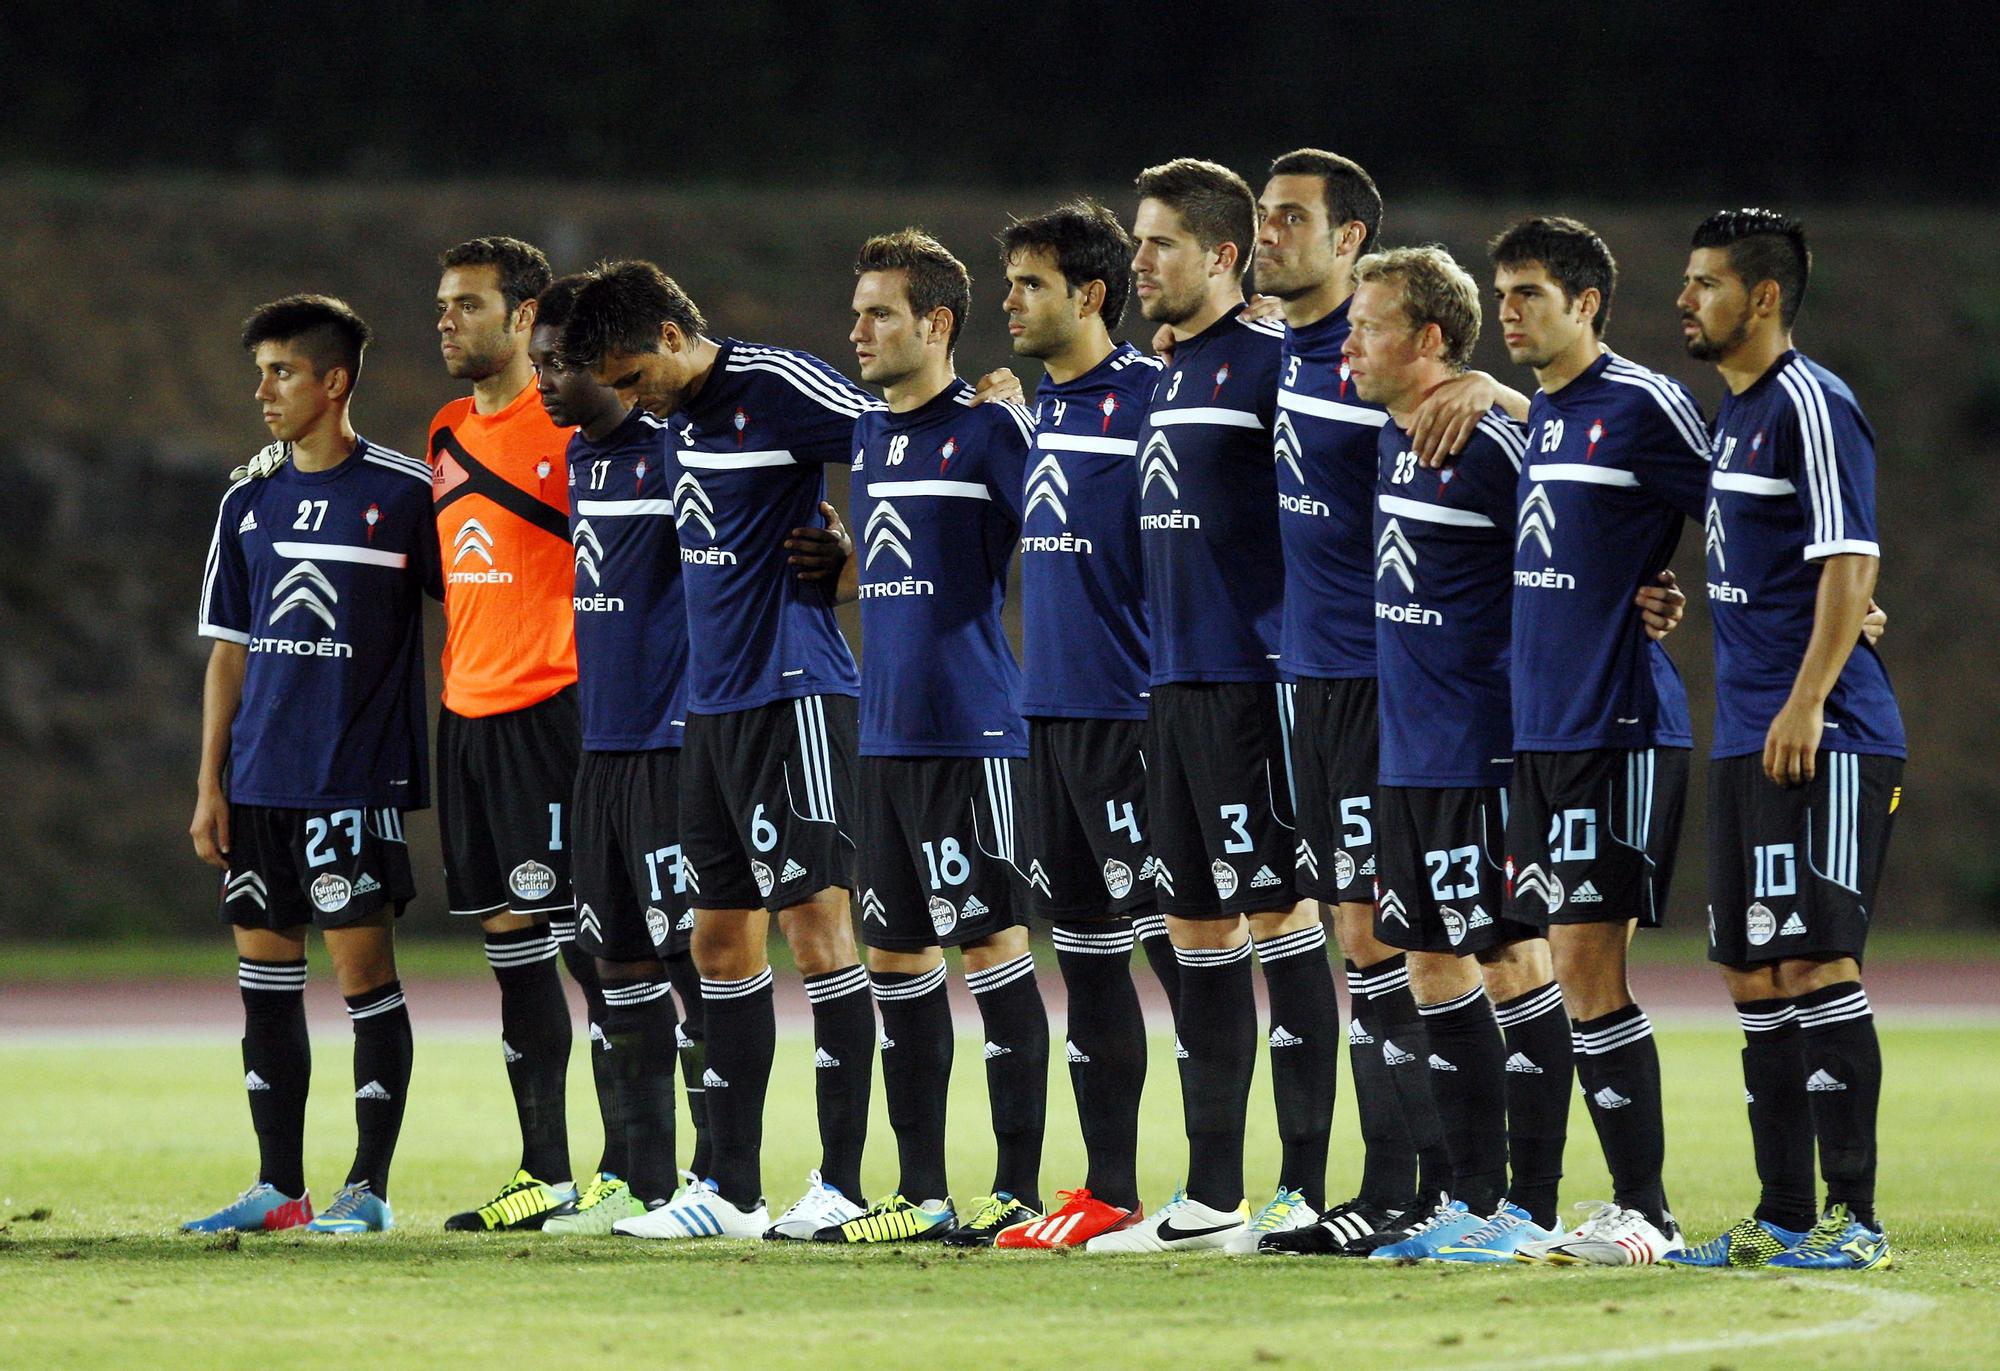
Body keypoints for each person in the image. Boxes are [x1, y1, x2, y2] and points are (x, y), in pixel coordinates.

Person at [1243, 149, 1535, 1255]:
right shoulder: (1269, 351)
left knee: (1419, 940)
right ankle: (1408, 1191)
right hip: (1305, 684)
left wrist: (1497, 387)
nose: (1266, 233)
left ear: (1349, 238)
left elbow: (1545, 450)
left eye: (1288, 217)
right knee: (1355, 940)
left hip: (1392, 687)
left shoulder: (1401, 377)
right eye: (1259, 218)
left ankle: (1439, 1190)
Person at [559, 260, 879, 1241]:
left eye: (625, 376)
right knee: (717, 939)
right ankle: (730, 1190)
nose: (624, 400)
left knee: (817, 931)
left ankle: (840, 1182)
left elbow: (906, 444)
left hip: (794, 696)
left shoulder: (778, 387)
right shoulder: (677, 426)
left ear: (665, 335)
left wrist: (859, 559)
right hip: (710, 712)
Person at [797, 229, 1049, 1245]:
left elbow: (1064, 535)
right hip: (884, 734)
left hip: (972, 731)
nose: (856, 330)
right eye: (856, 311)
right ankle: (920, 1190)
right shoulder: (867, 435)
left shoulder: (990, 431)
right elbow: (901, 570)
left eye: (879, 314)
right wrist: (850, 561)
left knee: (990, 944)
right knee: (895, 959)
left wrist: (1028, 421)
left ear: (935, 324)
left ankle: (1016, 1190)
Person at [1668, 209, 1904, 1271]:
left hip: (1824, 730)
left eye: (1705, 282)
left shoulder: (1810, 402)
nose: (1685, 300)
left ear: (1761, 298)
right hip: (1750, 731)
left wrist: (1808, 699)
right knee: (1752, 970)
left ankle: (1854, 1221)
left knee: (1812, 956)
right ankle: (1781, 1215)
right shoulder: (1733, 419)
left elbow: (1848, 558)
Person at [185, 295, 437, 1235]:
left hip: (352, 784)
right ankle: (279, 1188)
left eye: (282, 371)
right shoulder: (247, 501)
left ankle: (366, 1188)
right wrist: (212, 783)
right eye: (260, 371)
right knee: (265, 987)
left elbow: (482, 600)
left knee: (365, 978)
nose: (263, 391)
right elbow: (230, 651)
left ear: (335, 383)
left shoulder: (409, 496)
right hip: (258, 785)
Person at [1487, 216, 1710, 1265]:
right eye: (1500, 295)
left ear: (1584, 302)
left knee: (1584, 963)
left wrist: (1826, 602)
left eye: (1527, 293)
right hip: (1539, 735)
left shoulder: (1642, 403)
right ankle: (1554, 1201)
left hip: (1617, 726)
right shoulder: (1542, 418)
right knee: (1543, 960)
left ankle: (1645, 1210)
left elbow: (1744, 510)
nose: (1507, 312)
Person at [984, 199, 1179, 1249]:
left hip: (1135, 716)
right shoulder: (1031, 416)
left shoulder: (1155, 397)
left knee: (1180, 956)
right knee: (1089, 961)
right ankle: (1109, 1191)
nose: (1007, 302)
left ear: (1089, 295)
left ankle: (1217, 1193)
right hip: (1045, 722)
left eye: (1028, 284)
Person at [429, 237, 611, 1231]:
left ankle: (646, 1169)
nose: (446, 321)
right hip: (465, 719)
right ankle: (542, 1173)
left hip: (555, 709)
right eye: (442, 306)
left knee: (600, 949)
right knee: (510, 951)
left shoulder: (572, 425)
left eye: (466, 305)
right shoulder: (444, 431)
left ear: (526, 316)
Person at [518, 276, 700, 1234]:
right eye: (541, 360)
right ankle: (634, 1180)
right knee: (611, 963)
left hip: (672, 745)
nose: (545, 379)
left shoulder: (680, 451)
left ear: (606, 363)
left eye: (560, 362)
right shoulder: (586, 459)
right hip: (602, 746)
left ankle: (716, 1184)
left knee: (692, 964)